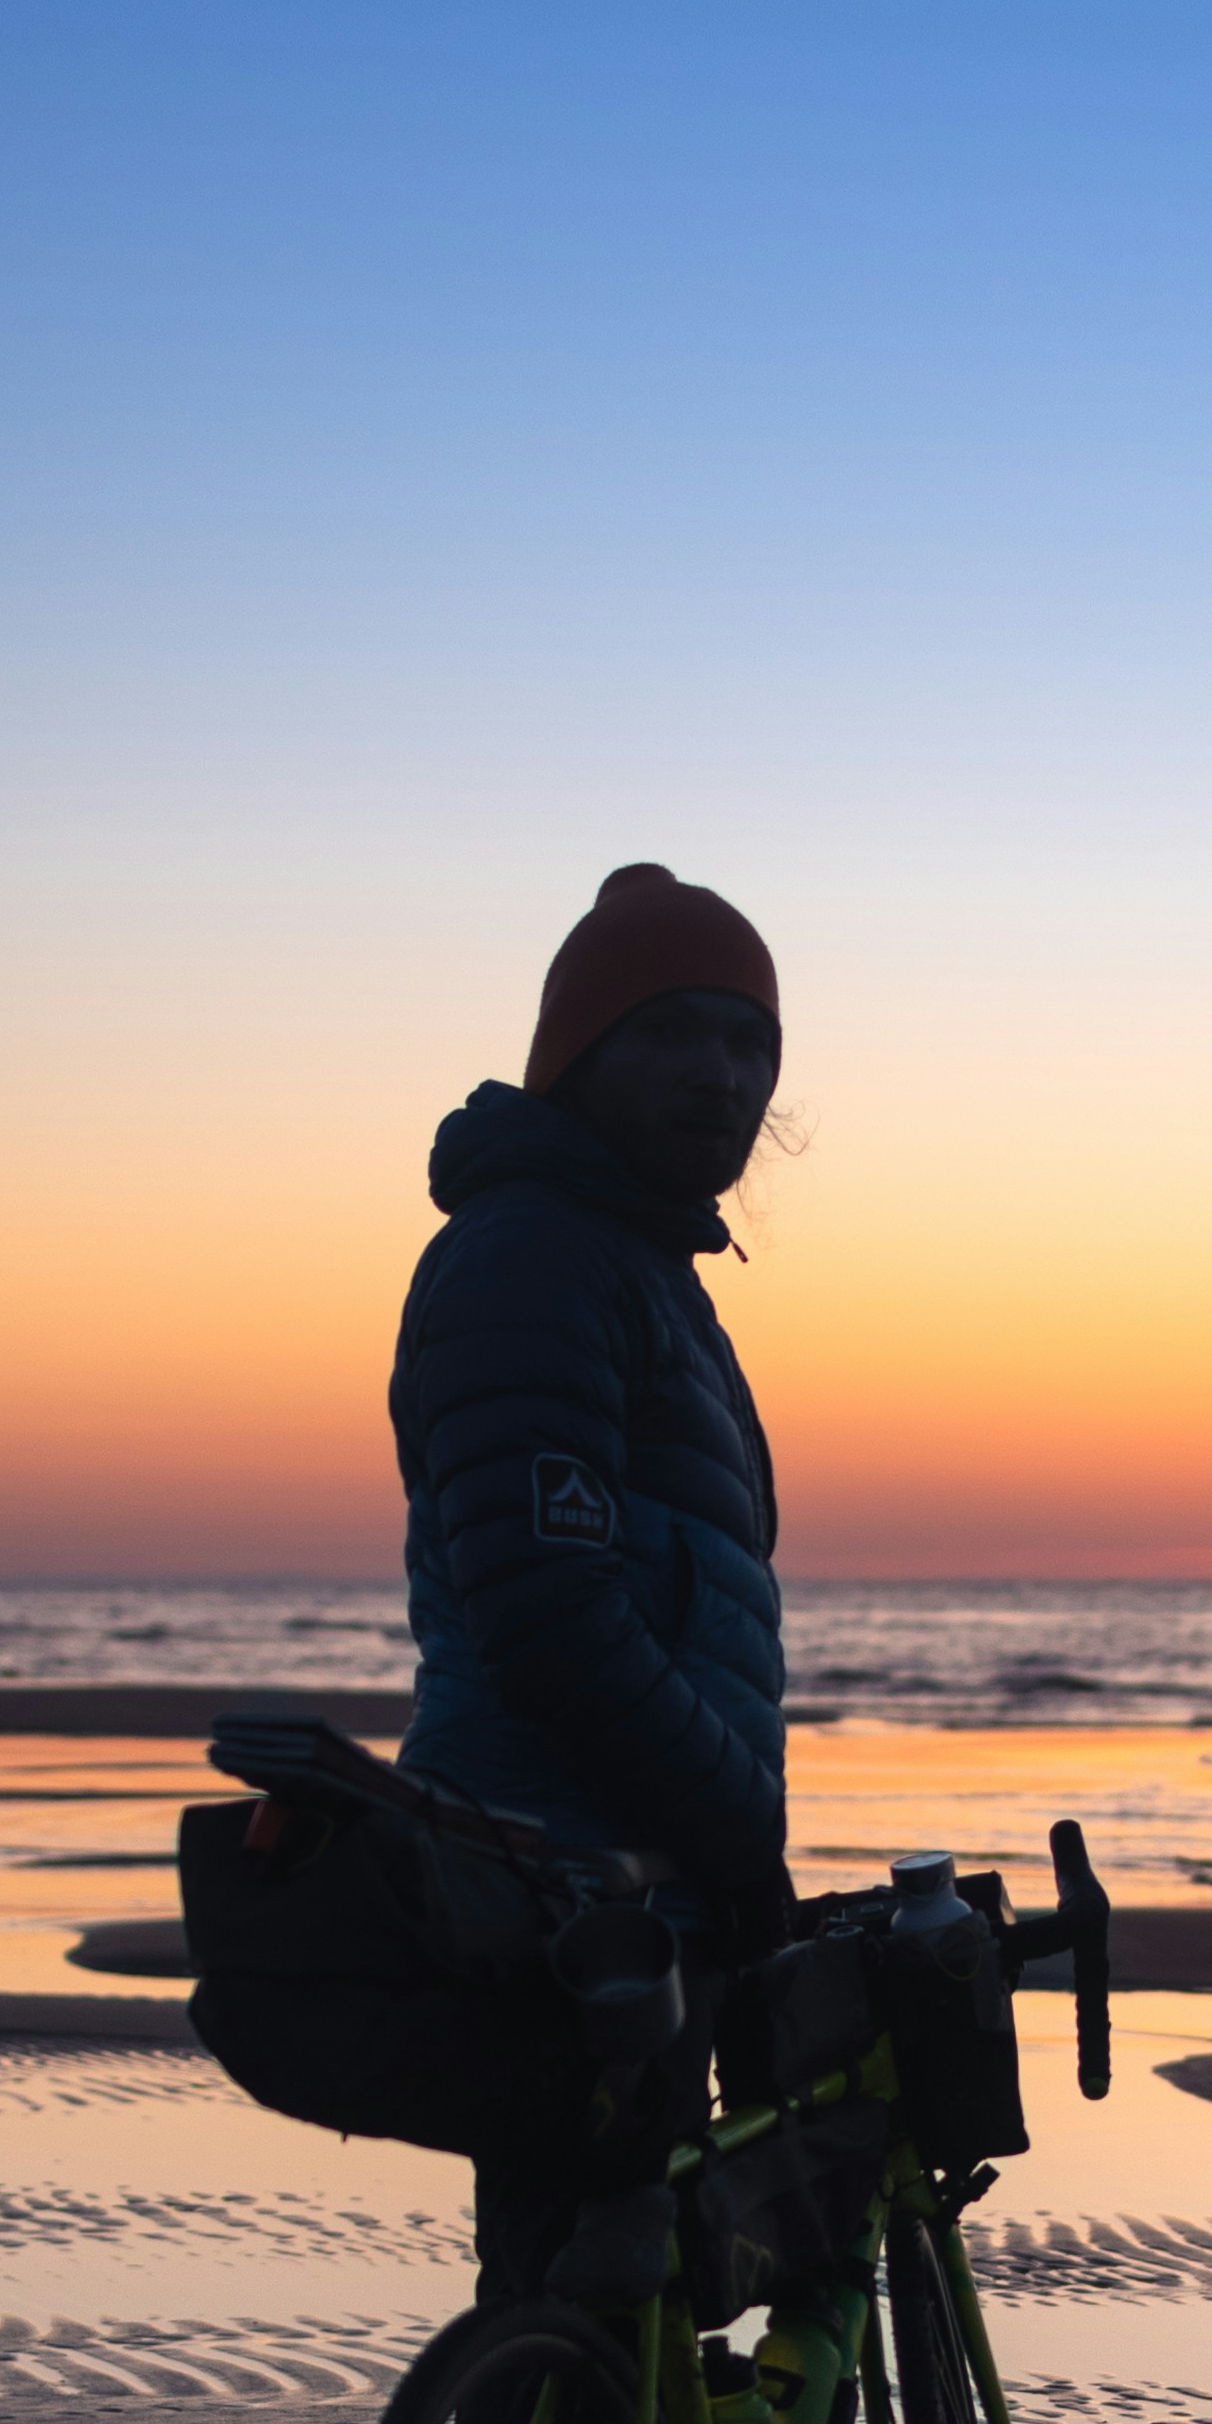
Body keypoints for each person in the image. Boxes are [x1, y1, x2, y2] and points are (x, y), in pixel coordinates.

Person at [391, 864, 792, 2291]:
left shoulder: (638, 1273)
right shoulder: (530, 1261)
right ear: (578, 1059)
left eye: (749, 1042)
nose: (720, 1073)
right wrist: (740, 1843)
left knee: (614, 2329)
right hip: (561, 1887)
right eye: (672, 1032)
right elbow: (550, 1613)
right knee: (578, 2322)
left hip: (640, 1880)